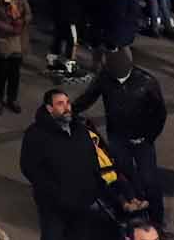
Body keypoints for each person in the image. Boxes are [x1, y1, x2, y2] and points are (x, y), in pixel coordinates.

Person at [71, 47, 167, 228]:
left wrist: (148, 137)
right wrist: (72, 110)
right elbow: (88, 97)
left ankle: (156, 219)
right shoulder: (105, 78)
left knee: (149, 179)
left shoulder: (147, 82)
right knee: (123, 175)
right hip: (117, 136)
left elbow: (159, 114)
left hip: (141, 140)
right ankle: (131, 215)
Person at [19, 88, 103, 240]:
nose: (66, 108)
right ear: (49, 108)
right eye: (60, 104)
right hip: (54, 206)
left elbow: (92, 159)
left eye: (68, 103)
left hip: (82, 202)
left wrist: (94, 186)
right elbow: (29, 168)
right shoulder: (35, 134)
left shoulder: (81, 129)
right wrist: (54, 193)